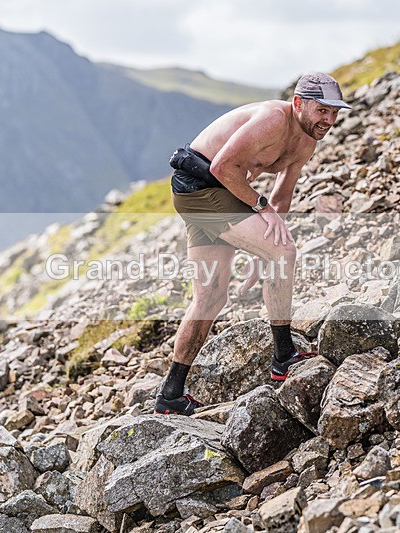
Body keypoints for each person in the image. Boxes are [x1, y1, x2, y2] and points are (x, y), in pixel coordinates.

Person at [155, 72, 351, 415]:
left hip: (217, 193)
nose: (329, 120)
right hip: (200, 185)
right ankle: (284, 356)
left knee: (211, 297)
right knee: (284, 252)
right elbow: (222, 166)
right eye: (322, 110)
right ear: (298, 103)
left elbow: (282, 195)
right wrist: (263, 212)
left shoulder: (306, 141)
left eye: (334, 113)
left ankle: (170, 395)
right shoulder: (272, 119)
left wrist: (265, 247)